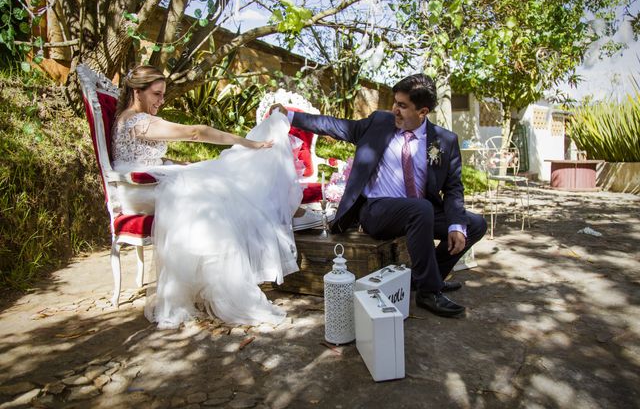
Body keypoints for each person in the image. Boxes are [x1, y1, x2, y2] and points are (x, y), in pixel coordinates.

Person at [273, 73, 487, 318]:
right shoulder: (378, 123)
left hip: (420, 212)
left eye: (403, 106)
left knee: (475, 224)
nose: (394, 109)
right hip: (377, 211)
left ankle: (429, 277)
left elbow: (453, 188)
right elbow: (333, 125)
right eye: (395, 102)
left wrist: (456, 225)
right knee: (421, 209)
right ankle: (429, 292)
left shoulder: (445, 141)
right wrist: (289, 115)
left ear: (423, 111)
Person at [112, 65, 303, 328]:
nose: (161, 101)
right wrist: (248, 143)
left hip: (141, 185)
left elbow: (145, 157)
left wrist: (175, 165)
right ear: (137, 92)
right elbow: (196, 132)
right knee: (210, 196)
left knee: (213, 185)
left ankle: (214, 283)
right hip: (138, 191)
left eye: (163, 95)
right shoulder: (138, 121)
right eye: (157, 94)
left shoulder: (132, 118)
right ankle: (224, 289)